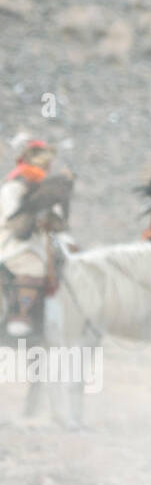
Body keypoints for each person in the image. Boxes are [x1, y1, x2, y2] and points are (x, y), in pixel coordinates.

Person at [0, 139, 60, 338]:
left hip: (40, 246)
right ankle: (20, 315)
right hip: (12, 247)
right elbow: (15, 223)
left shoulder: (47, 191)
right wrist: (36, 217)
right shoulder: (11, 189)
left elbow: (56, 219)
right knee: (33, 268)